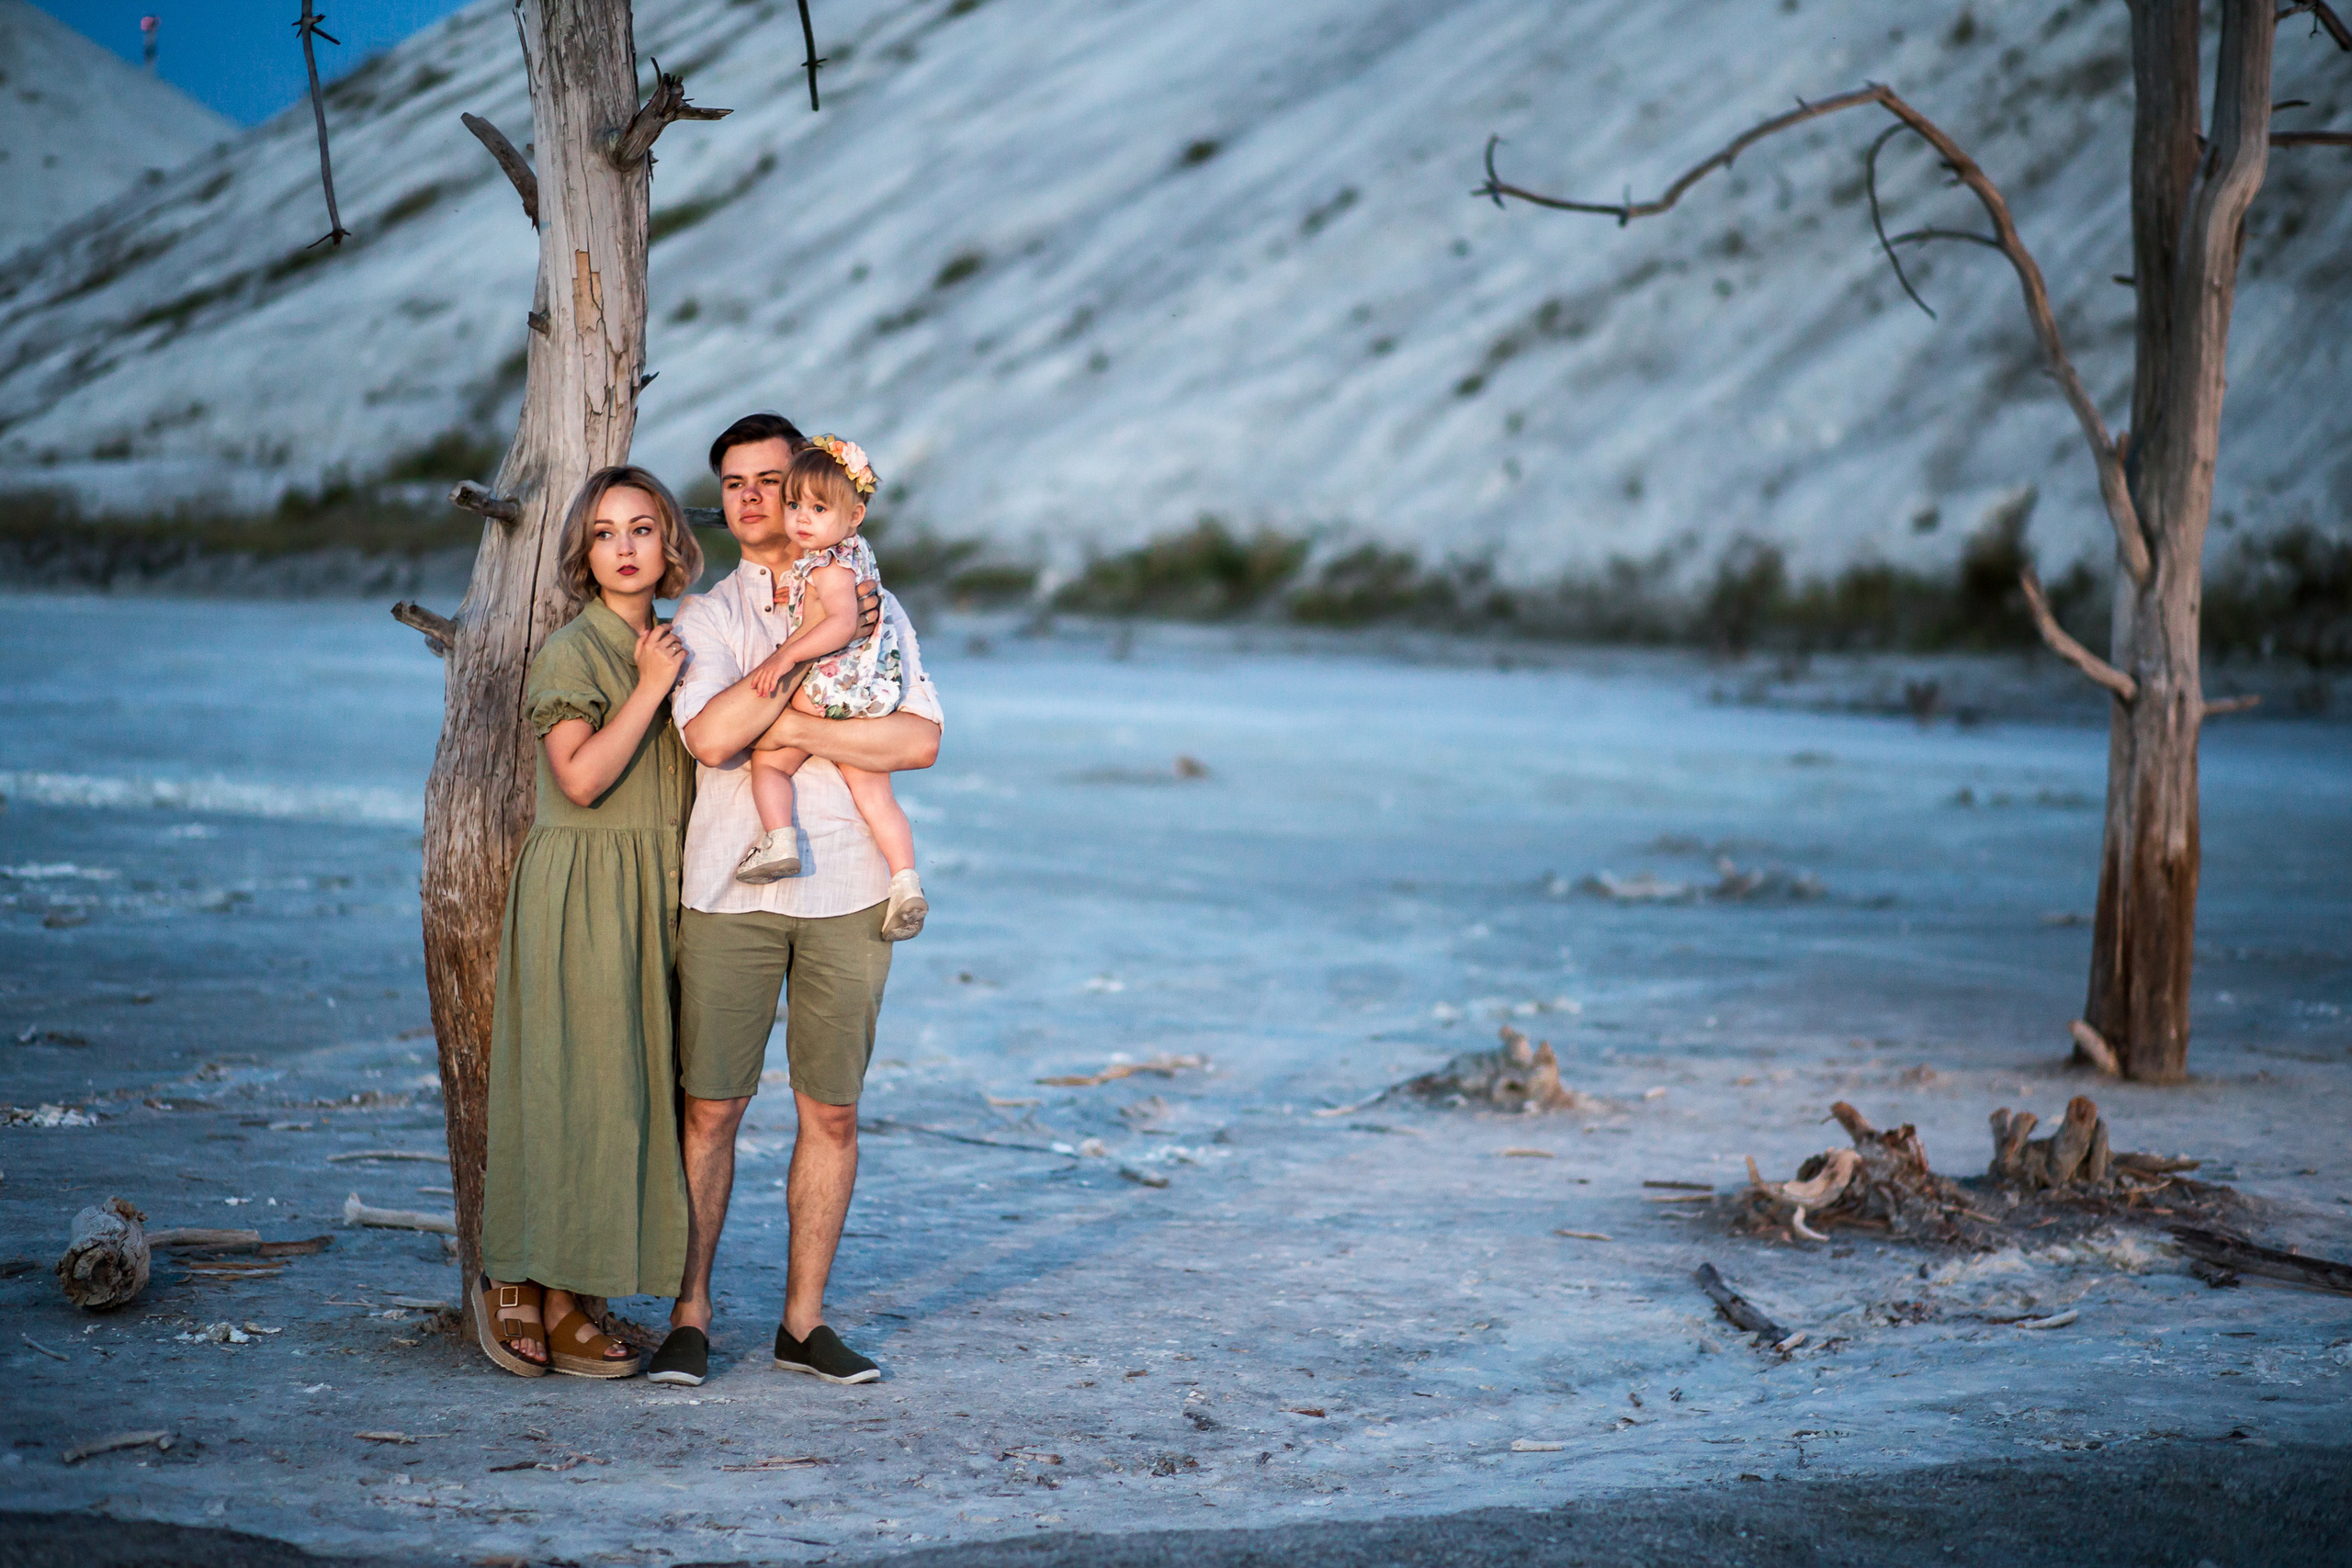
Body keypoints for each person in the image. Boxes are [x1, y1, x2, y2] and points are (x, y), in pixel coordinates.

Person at [642, 412, 942, 1390]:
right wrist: (809, 678)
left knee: (834, 1115)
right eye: (732, 483)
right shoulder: (708, 616)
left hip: (852, 889)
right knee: (709, 1113)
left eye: (769, 479)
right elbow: (711, 741)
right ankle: (688, 1314)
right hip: (731, 885)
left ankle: (802, 1324)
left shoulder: (873, 600)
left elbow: (920, 742)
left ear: (809, 488)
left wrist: (792, 709)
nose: (751, 498)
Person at [474, 466, 701, 1380]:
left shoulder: (684, 644)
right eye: (604, 533)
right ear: (583, 553)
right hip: (583, 884)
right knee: (566, 1085)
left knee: (625, 1097)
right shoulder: (574, 652)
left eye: (641, 528)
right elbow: (579, 779)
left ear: (671, 543)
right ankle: (516, 1278)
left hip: (657, 885)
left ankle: (572, 1292)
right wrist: (648, 689)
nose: (624, 547)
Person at [731, 435, 927, 944]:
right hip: (871, 693)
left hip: (827, 687)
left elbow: (841, 623)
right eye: (794, 505)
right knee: (874, 794)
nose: (801, 518)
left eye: (818, 508)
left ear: (855, 513)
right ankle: (905, 881)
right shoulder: (854, 556)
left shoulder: (827, 564)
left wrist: (785, 654)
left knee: (769, 758)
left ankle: (779, 840)